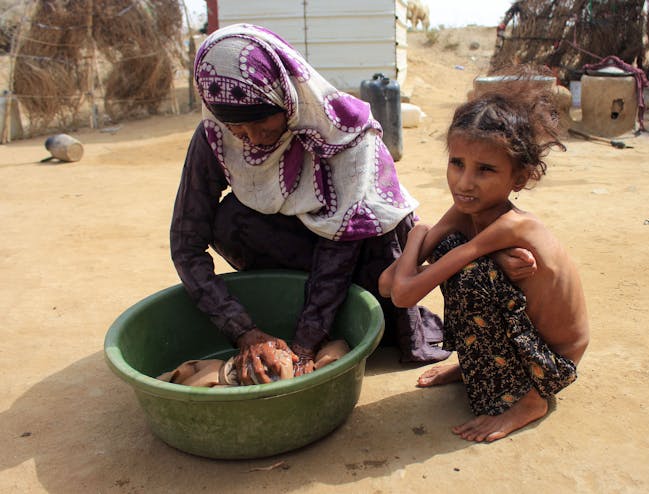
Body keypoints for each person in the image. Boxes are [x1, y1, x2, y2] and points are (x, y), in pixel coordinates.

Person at [170, 23, 461, 385]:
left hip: (360, 256)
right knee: (231, 219)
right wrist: (243, 331)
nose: (253, 140)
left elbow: (339, 247)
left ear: (284, 95)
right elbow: (186, 242)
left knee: (377, 234)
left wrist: (306, 344)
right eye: (238, 131)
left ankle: (347, 318)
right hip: (297, 254)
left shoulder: (345, 133)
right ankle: (289, 302)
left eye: (261, 123)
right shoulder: (214, 134)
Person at [379, 83, 590, 442]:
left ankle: (531, 402)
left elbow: (403, 294)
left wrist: (416, 235)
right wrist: (422, 238)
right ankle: (472, 365)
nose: (464, 182)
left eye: (485, 169)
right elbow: (387, 283)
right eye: (457, 163)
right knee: (457, 256)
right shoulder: (466, 212)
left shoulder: (513, 225)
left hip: (551, 363)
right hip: (523, 342)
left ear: (519, 178)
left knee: (470, 271)